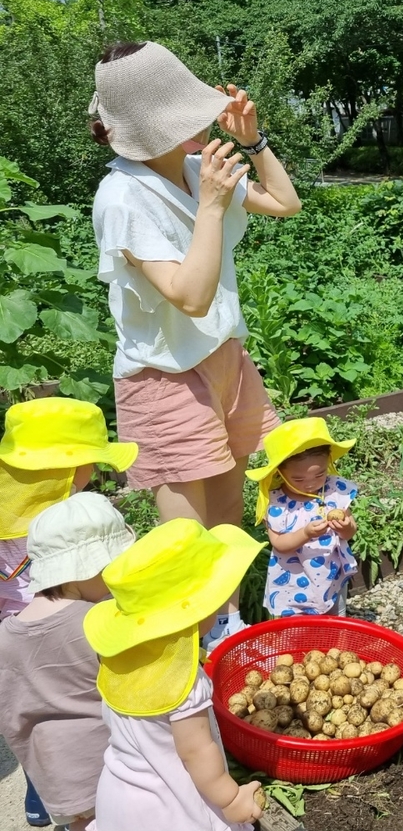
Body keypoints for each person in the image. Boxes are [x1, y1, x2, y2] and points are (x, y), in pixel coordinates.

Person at [89, 41, 302, 646]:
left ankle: (226, 620)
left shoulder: (187, 170)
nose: (201, 123)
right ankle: (194, 637)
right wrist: (210, 205)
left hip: (226, 360)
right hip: (166, 378)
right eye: (183, 115)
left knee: (228, 507)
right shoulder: (123, 198)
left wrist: (255, 142)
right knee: (186, 533)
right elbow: (189, 295)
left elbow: (286, 203)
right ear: (146, 129)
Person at [0, 398, 138, 827]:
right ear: (68, 467)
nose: (94, 473)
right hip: (69, 625)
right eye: (91, 463)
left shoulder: (9, 503)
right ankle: (101, 795)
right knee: (88, 714)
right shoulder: (70, 516)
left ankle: (43, 797)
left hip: (18, 633)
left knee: (35, 717)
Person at [83, 518, 266, 830]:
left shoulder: (120, 658)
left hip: (119, 795)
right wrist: (231, 799)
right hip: (168, 807)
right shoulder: (181, 681)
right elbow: (196, 751)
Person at [246, 418, 359, 618]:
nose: (310, 484)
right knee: (296, 628)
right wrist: (306, 533)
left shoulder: (335, 491)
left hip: (331, 575)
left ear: (329, 461)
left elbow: (350, 532)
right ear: (279, 471)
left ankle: (334, 645)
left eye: (320, 474)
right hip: (293, 580)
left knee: (335, 620)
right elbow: (279, 543)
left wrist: (345, 526)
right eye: (298, 479)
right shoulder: (277, 504)